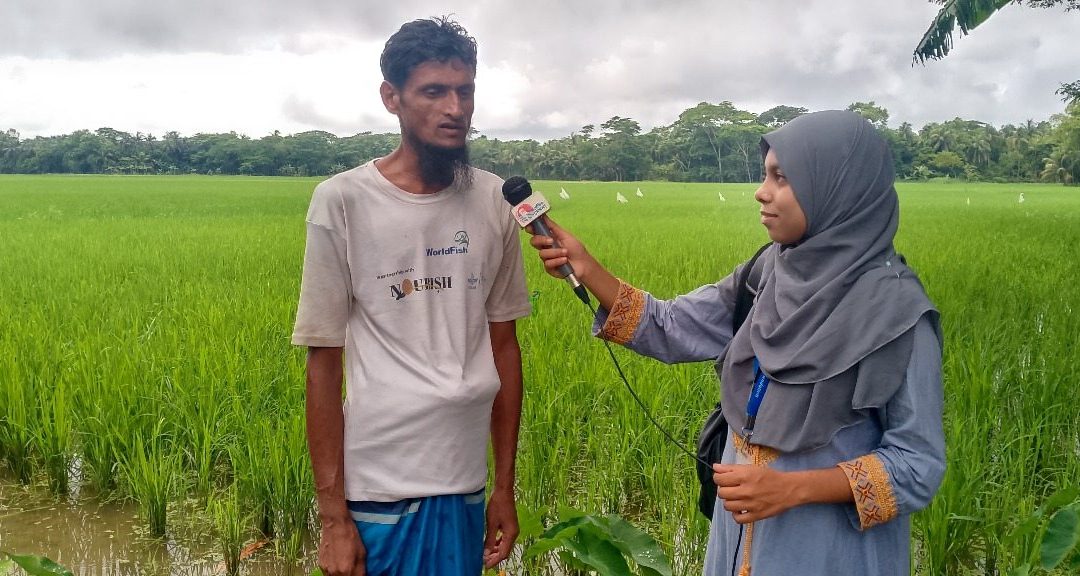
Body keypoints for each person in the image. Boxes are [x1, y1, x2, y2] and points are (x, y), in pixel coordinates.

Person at [529, 110, 945, 575]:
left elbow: (917, 464)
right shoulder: (768, 273)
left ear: (837, 189)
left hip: (827, 552)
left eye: (782, 178)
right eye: (765, 174)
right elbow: (672, 325)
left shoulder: (897, 314)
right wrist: (589, 269)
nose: (761, 192)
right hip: (736, 540)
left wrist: (794, 488)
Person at [291, 16, 531, 576]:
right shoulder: (343, 201)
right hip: (381, 493)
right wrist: (333, 520)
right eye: (434, 91)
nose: (455, 108)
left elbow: (505, 348)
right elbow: (323, 361)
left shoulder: (496, 199)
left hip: (467, 485)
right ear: (391, 98)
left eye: (464, 90)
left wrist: (504, 486)